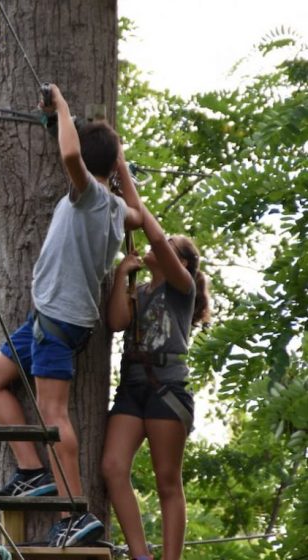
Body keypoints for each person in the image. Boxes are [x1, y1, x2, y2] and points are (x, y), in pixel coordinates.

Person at [0, 83, 144, 547]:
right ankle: (32, 470)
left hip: (59, 319)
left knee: (53, 413)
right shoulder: (116, 211)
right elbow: (138, 211)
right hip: (48, 318)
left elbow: (72, 158)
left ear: (90, 171)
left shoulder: (89, 196)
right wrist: (119, 164)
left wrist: (66, 106)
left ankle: (75, 510)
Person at [101, 209, 211, 560]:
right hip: (132, 388)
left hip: (168, 389)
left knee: (166, 480)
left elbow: (158, 239)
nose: (156, 246)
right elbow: (117, 322)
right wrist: (121, 275)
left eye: (168, 246)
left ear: (178, 261)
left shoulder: (182, 288)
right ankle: (140, 555)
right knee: (113, 467)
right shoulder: (139, 290)